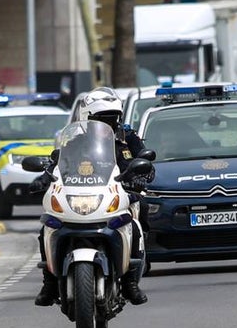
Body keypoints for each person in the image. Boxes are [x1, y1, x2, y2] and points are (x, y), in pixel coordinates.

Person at [34, 87, 152, 307]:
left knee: (135, 219)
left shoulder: (128, 138)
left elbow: (144, 162)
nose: (109, 123)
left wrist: (142, 175)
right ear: (88, 118)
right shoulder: (76, 142)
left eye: (112, 118)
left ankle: (130, 282)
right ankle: (49, 283)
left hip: (116, 192)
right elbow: (58, 163)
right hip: (83, 193)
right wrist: (43, 178)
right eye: (102, 119)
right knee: (47, 226)